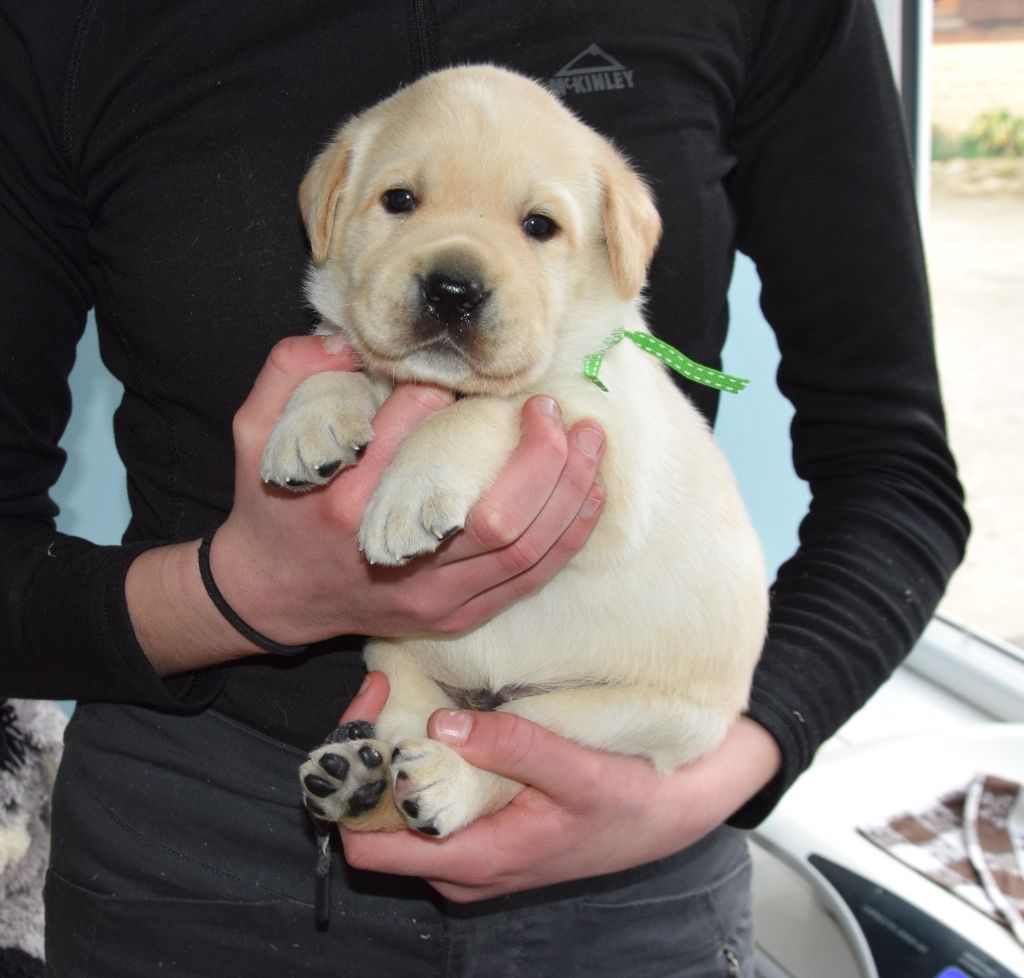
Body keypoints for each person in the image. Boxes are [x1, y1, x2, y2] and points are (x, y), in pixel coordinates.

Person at [0, 0, 969, 975]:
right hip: (189, 846)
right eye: (402, 201)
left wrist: (715, 771)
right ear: (331, 203)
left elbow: (897, 475)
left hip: (635, 851)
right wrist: (242, 594)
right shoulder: (65, 26)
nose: (456, 275)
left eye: (539, 223)